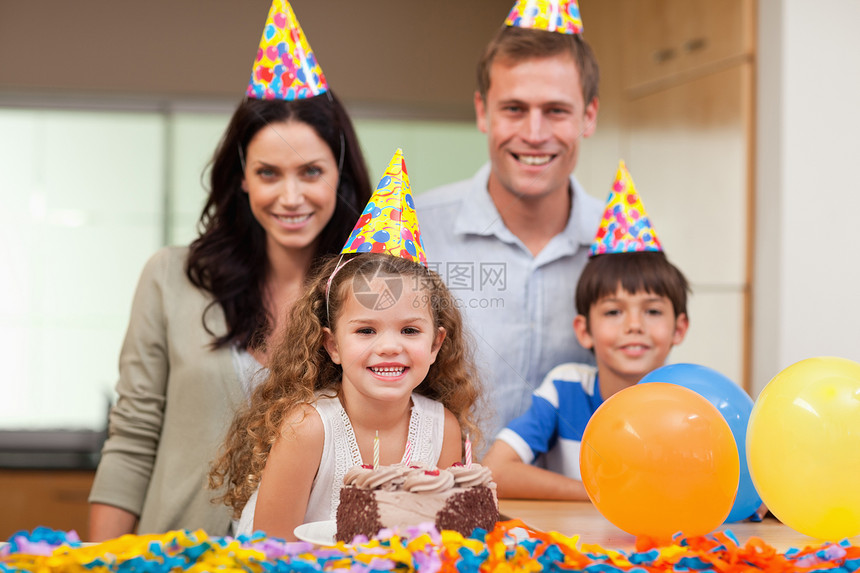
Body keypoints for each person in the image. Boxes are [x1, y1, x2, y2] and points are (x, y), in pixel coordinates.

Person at [87, 0, 372, 540]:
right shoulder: (171, 278)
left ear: (340, 175)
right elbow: (132, 437)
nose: (291, 196)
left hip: (310, 559)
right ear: (242, 177)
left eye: (311, 171)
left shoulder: (373, 295)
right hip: (173, 554)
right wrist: (99, 560)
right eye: (269, 172)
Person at [415, 1, 603, 443]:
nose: (535, 133)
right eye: (514, 108)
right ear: (483, 111)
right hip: (438, 500)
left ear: (588, 116)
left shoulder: (618, 242)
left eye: (556, 110)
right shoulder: (417, 232)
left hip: (576, 506)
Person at [209, 251, 482, 540]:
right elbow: (273, 552)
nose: (389, 346)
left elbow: (443, 543)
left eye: (409, 330)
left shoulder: (443, 429)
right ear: (333, 345)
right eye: (366, 330)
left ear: (435, 344)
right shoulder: (307, 429)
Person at [483, 161, 690, 499]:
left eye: (652, 311)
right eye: (613, 311)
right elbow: (496, 471)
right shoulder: (565, 389)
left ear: (679, 327)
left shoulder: (690, 401)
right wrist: (601, 495)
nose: (634, 326)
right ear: (584, 330)